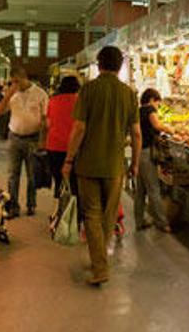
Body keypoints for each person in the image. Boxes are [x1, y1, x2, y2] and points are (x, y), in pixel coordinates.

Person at [62, 46, 141, 286]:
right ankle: (100, 260)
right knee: (108, 216)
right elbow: (136, 134)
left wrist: (68, 159)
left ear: (99, 64)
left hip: (87, 165)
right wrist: (135, 163)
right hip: (115, 166)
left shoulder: (88, 90)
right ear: (119, 66)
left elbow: (79, 128)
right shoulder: (128, 94)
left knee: (92, 214)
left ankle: (100, 266)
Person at [0, 67, 48, 218]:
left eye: (17, 81)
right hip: (14, 137)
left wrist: (42, 141)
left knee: (32, 174)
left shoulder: (40, 94)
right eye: (13, 82)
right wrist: (8, 95)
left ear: (24, 77)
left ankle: (31, 204)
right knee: (13, 174)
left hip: (33, 138)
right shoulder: (12, 94)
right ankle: (13, 206)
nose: (15, 85)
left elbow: (44, 120)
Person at [135, 88, 173, 232]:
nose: (157, 106)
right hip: (146, 153)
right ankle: (162, 223)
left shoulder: (139, 110)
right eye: (158, 103)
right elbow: (157, 125)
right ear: (152, 99)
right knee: (153, 189)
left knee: (140, 190)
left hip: (139, 152)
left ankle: (139, 221)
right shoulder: (149, 109)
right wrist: (172, 130)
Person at [46, 76, 80, 198]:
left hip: (54, 146)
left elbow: (48, 124)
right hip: (74, 147)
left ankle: (59, 207)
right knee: (74, 182)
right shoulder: (80, 101)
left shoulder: (53, 100)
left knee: (59, 180)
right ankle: (72, 210)